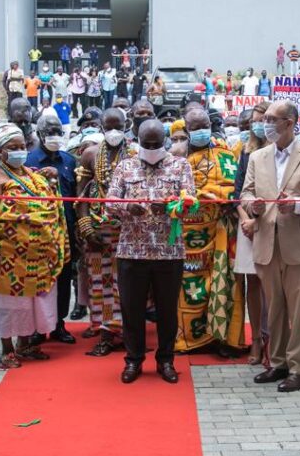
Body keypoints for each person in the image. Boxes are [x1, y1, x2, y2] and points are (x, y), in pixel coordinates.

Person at [240, 100, 300, 393]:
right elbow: (246, 192)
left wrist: (296, 205)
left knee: (298, 309)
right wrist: (251, 205)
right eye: (265, 119)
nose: (265, 123)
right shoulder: (257, 156)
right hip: (267, 241)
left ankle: (299, 368)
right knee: (275, 308)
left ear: (290, 123)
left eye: (271, 118)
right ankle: (277, 363)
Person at [103, 120, 195, 383]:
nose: (152, 149)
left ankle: (166, 361)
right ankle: (133, 361)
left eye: (157, 144)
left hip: (169, 252)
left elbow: (190, 202)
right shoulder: (125, 166)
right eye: (147, 144)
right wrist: (125, 207)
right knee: (132, 311)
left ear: (165, 141)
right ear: (138, 141)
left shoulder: (180, 165)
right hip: (132, 250)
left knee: (167, 311)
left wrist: (170, 207)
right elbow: (109, 202)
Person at [0, 124, 68, 367]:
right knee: (9, 303)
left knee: (30, 302)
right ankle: (8, 349)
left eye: (21, 146)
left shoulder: (31, 174)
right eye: (11, 147)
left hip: (38, 258)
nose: (19, 151)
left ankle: (25, 345)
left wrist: (50, 179)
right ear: (0, 151)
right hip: (7, 258)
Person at [172, 107, 243, 357]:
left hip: (220, 231)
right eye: (195, 127)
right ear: (186, 130)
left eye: (205, 125)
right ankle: (190, 339)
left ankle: (222, 339)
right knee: (188, 289)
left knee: (224, 285)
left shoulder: (224, 154)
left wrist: (219, 196)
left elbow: (235, 187)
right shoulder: (176, 159)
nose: (201, 131)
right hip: (187, 237)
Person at [76, 108, 134, 355]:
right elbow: (80, 197)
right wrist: (86, 228)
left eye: (118, 127)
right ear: (100, 128)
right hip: (98, 229)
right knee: (100, 283)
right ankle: (106, 334)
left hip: (130, 229)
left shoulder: (136, 153)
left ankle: (129, 333)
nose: (113, 133)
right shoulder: (90, 154)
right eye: (108, 127)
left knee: (129, 283)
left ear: (126, 125)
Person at [26, 116, 79, 345]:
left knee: (64, 279)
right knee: (40, 281)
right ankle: (38, 327)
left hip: (65, 231)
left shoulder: (69, 160)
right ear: (39, 135)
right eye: (50, 133)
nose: (55, 137)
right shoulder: (29, 160)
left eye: (58, 132)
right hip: (39, 233)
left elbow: (76, 197)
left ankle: (59, 324)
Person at [233, 102, 270, 366]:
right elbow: (237, 194)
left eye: (263, 119)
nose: (258, 125)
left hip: (273, 224)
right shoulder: (246, 153)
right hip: (247, 226)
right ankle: (256, 338)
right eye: (254, 120)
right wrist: (247, 221)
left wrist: (260, 222)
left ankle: (273, 339)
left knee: (274, 284)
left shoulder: (287, 153)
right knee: (253, 284)